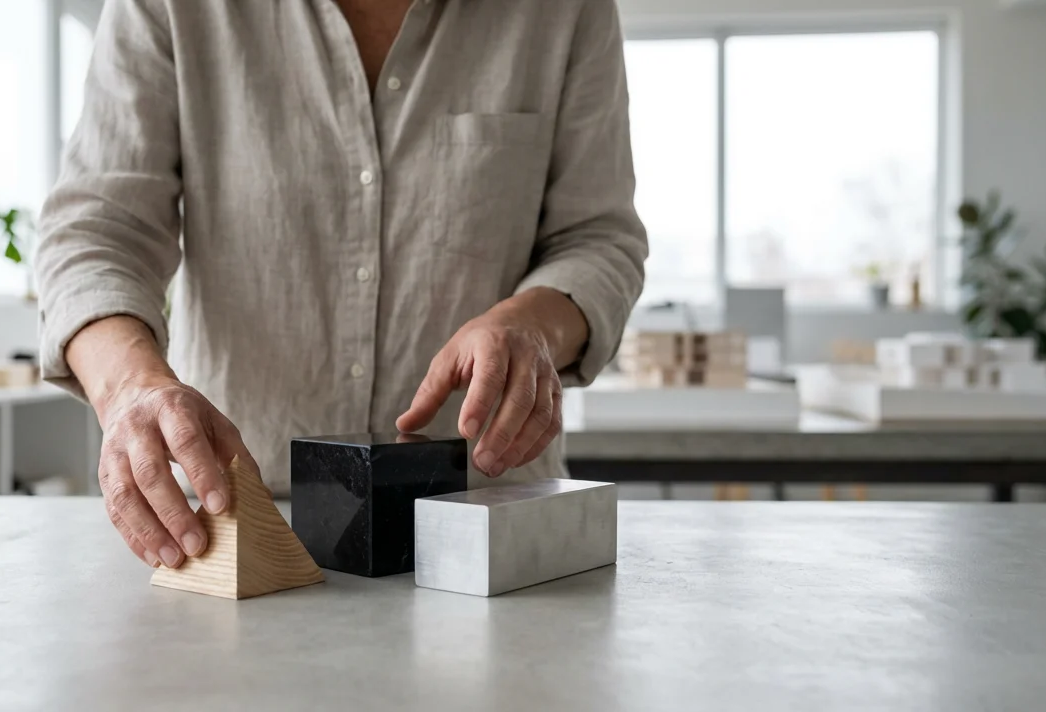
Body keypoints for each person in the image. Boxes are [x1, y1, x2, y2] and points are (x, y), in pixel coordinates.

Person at [35, 0, 648, 571]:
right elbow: (97, 233)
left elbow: (597, 238)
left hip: (492, 532)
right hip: (240, 531)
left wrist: (532, 323)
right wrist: (131, 389)